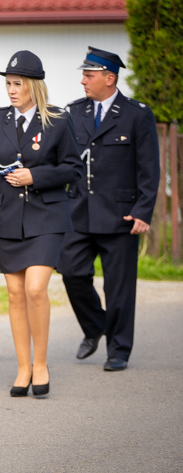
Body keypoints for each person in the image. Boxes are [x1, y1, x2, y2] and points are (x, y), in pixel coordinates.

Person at [0, 50, 82, 398]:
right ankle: (23, 367)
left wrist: (35, 175)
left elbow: (73, 168)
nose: (11, 90)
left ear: (33, 86)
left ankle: (41, 363)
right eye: (8, 83)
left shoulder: (57, 119)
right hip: (8, 217)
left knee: (36, 289)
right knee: (14, 293)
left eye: (18, 84)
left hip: (47, 216)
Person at [58, 47, 160, 371]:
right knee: (71, 271)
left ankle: (119, 349)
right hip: (79, 212)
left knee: (119, 288)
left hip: (121, 215)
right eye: (83, 75)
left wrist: (143, 210)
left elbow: (149, 167)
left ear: (109, 78)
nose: (83, 81)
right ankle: (95, 326)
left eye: (88, 75)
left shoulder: (136, 114)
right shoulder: (74, 112)